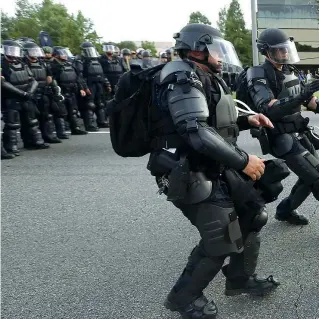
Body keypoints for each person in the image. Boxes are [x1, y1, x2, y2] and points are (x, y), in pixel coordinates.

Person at [117, 24, 281, 318]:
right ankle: (183, 297)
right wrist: (244, 161)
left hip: (213, 164)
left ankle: (239, 278)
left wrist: (248, 121)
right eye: (216, 49)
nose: (221, 56)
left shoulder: (202, 76)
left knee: (253, 214)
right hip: (188, 169)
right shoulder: (181, 77)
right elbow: (195, 132)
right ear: (197, 49)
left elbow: (213, 123)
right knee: (221, 237)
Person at [242, 28, 319, 229]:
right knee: (318, 177)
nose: (284, 53)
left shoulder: (289, 71)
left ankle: (285, 210)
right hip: (280, 136)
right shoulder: (258, 73)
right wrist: (301, 96)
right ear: (266, 51)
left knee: (311, 176)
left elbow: (310, 101)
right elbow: (268, 108)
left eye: (286, 49)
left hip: (299, 132)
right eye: (280, 50)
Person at [1, 40, 49, 154]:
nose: (13, 53)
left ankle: (34, 142)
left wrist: (30, 92)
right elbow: (3, 83)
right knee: (12, 124)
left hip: (26, 97)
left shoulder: (22, 63)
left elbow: (33, 80)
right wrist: (22, 93)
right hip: (11, 98)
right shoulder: (2, 64)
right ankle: (11, 147)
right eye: (10, 50)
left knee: (31, 121)